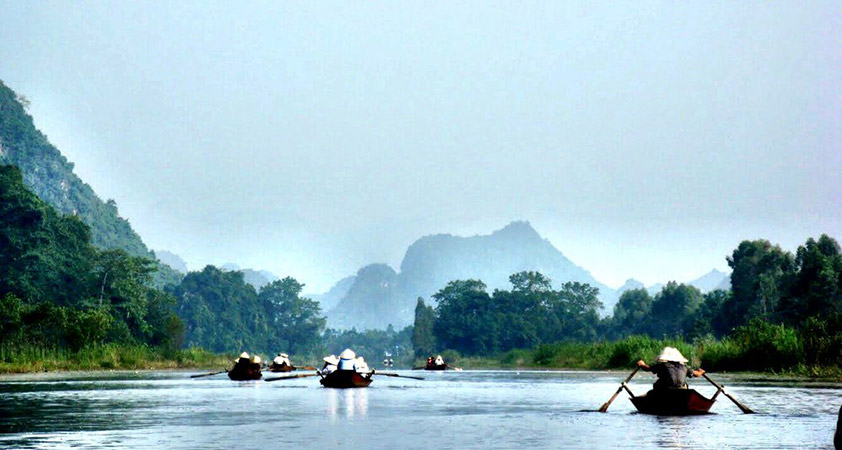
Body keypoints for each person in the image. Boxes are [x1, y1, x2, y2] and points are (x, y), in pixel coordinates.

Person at [636, 347, 704, 390]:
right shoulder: (684, 367)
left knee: (656, 385)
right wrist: (701, 372)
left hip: (666, 389)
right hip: (682, 390)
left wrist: (642, 364)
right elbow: (696, 374)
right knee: (685, 385)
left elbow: (647, 368)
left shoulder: (662, 366)